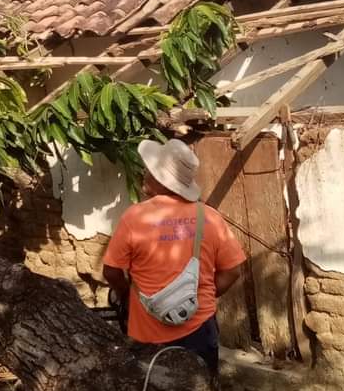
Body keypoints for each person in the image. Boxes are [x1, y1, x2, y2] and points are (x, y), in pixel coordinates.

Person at [102, 138, 246, 375]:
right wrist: (204, 294)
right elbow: (232, 271)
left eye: (148, 169)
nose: (143, 173)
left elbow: (111, 271)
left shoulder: (134, 218)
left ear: (159, 178)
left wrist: (128, 297)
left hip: (147, 332)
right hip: (200, 327)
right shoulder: (209, 217)